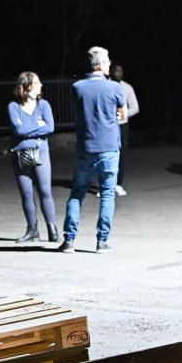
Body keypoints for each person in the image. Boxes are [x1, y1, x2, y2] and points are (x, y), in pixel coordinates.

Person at [59, 47, 127, 254]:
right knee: (107, 193)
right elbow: (123, 116)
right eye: (107, 62)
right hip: (108, 147)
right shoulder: (114, 88)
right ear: (100, 65)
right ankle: (101, 241)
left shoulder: (77, 87)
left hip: (86, 147)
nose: (109, 65)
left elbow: (79, 113)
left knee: (77, 193)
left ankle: (69, 240)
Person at [8, 72, 58, 243]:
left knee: (45, 191)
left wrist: (27, 128)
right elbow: (18, 130)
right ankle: (32, 230)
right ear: (27, 86)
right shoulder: (13, 106)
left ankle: (53, 230)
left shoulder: (43, 105)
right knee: (27, 193)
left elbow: (50, 127)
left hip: (40, 151)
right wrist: (38, 125)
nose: (40, 85)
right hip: (20, 154)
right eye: (36, 83)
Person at [110, 62, 139, 196]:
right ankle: (106, 186)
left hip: (122, 125)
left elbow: (135, 107)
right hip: (107, 125)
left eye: (121, 71)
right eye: (116, 71)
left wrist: (123, 114)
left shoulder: (127, 87)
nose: (119, 73)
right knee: (106, 155)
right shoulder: (106, 86)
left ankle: (118, 184)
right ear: (111, 72)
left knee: (121, 154)